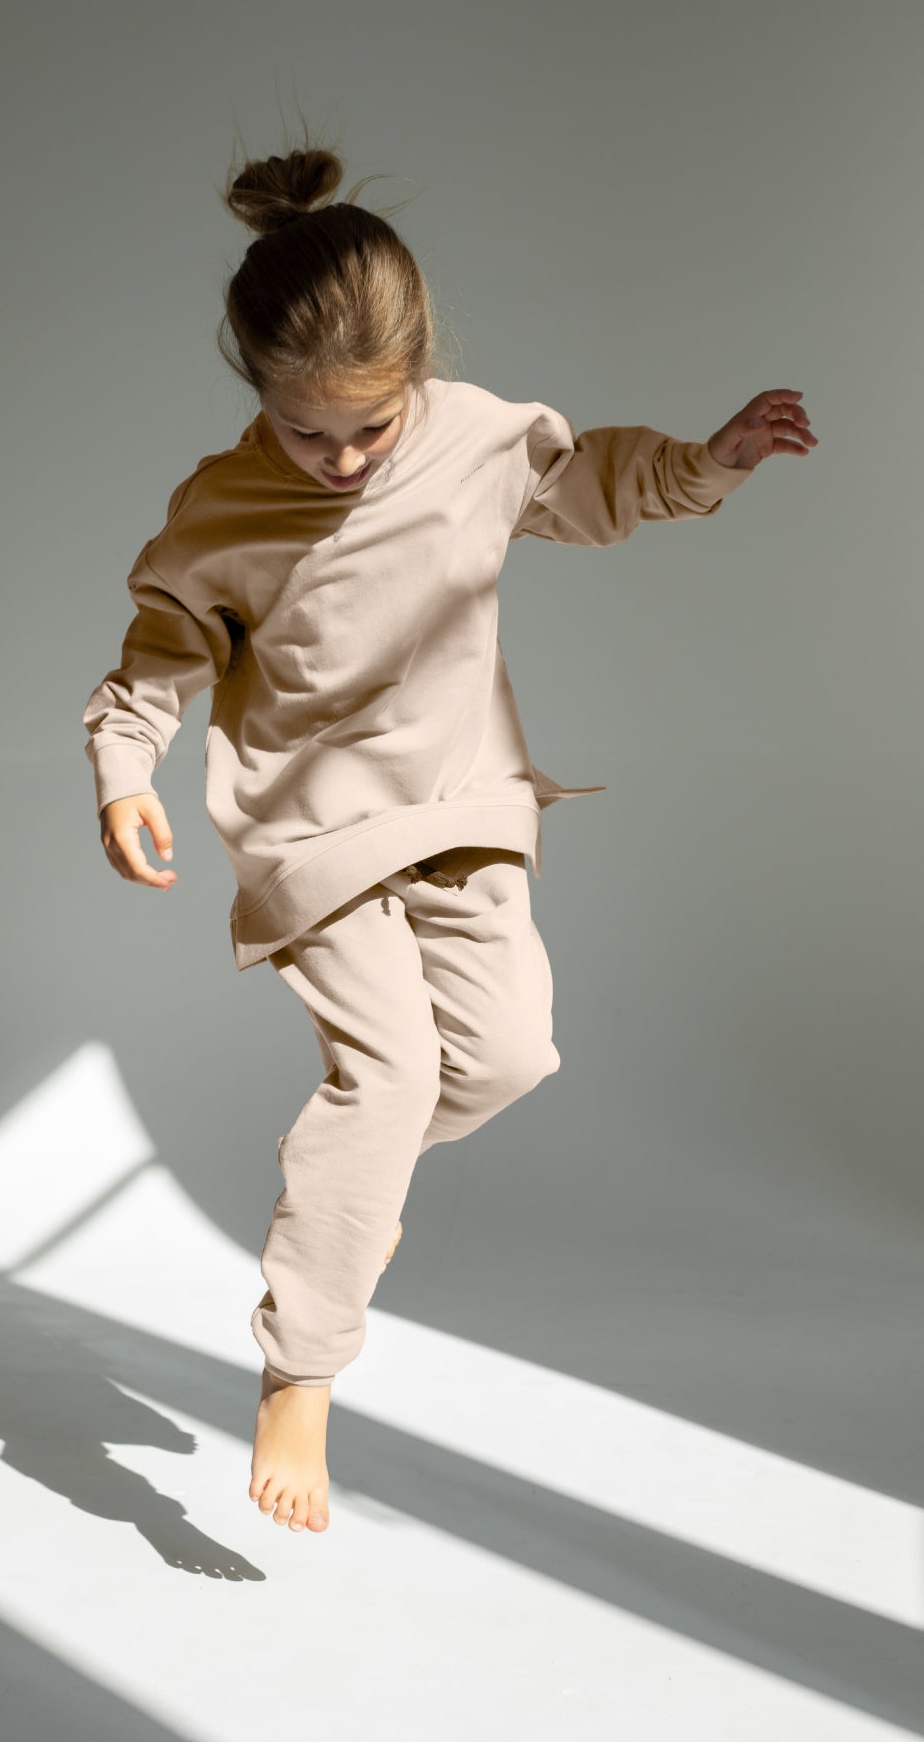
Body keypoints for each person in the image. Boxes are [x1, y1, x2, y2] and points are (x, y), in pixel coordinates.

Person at [80, 123, 817, 1540]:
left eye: (372, 426)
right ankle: (302, 1369)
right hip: (312, 830)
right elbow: (159, 655)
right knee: (389, 1077)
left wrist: (711, 460)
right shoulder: (222, 507)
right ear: (256, 391)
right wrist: (126, 773)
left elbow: (595, 485)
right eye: (310, 432)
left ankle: (344, 1205)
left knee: (508, 1057)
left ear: (417, 375)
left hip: (466, 806)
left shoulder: (479, 436)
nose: (344, 457)